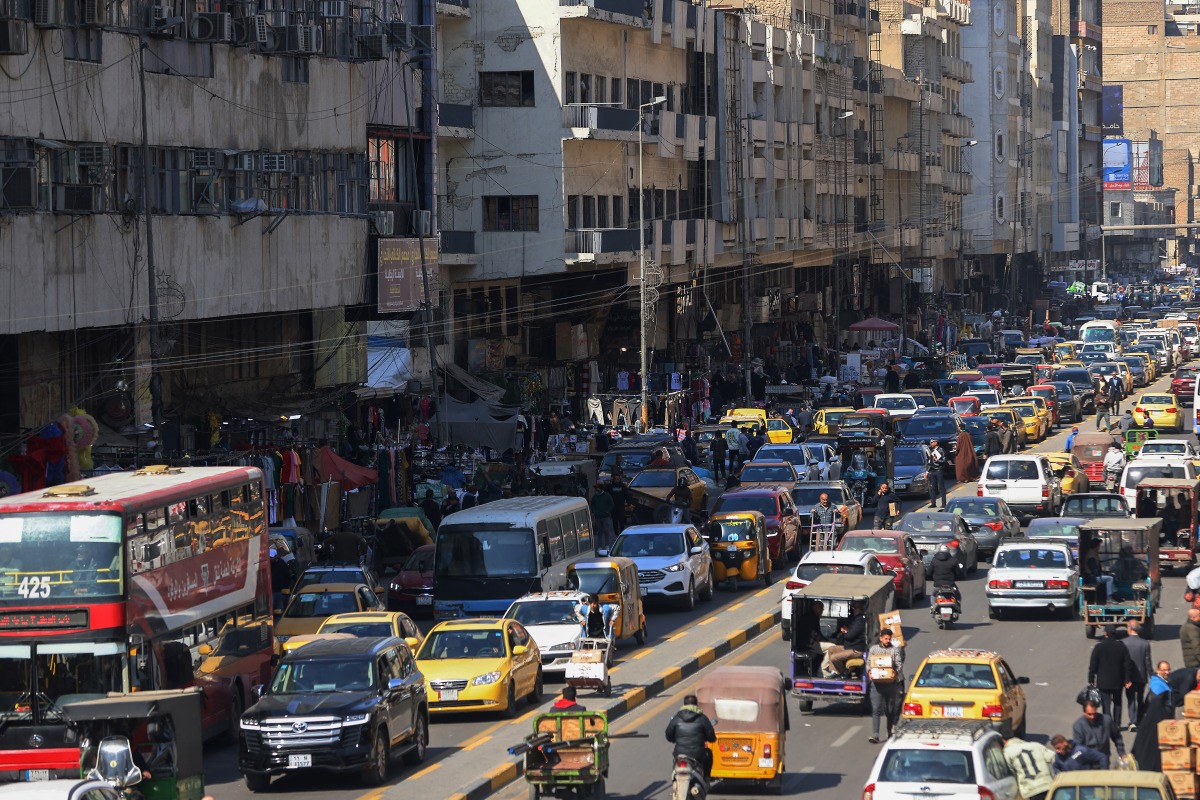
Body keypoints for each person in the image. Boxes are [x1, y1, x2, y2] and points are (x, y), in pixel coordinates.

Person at [1088, 624, 1135, 729]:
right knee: (1117, 702)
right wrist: (1127, 679)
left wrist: (1091, 678)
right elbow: (1127, 664)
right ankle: (1117, 724)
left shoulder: (1099, 647)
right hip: (1118, 681)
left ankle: (1107, 724)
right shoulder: (1121, 647)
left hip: (1103, 681)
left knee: (1106, 703)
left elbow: (1093, 664)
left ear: (1105, 634)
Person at [1131, 661, 1175, 771]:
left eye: (1168, 669)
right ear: (1158, 671)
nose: (1167, 672)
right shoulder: (1158, 687)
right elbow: (1157, 704)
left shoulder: (1165, 683)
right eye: (1164, 670)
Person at [866, 628, 904, 744]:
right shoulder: (874, 649)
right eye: (885, 638)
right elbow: (868, 663)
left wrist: (895, 672)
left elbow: (899, 663)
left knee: (890, 710)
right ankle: (875, 734)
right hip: (877, 685)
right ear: (881, 638)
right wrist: (869, 672)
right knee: (876, 708)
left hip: (890, 684)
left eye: (889, 638)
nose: (887, 640)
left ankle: (889, 732)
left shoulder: (895, 650)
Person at [665, 694, 716, 779]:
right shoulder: (702, 718)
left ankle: (675, 781)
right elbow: (711, 737)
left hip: (679, 753)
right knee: (709, 753)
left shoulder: (676, 718)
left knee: (675, 762)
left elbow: (668, 736)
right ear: (696, 705)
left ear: (684, 705)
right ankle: (706, 778)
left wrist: (675, 739)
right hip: (698, 755)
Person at [1121, 622, 1152, 731]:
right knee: (1140, 698)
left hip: (1128, 677)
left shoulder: (1123, 642)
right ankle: (1139, 719)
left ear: (1130, 629)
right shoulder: (1144, 643)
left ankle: (1132, 721)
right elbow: (1147, 662)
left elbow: (1121, 662)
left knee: (1130, 698)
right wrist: (1151, 675)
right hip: (1141, 676)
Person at [825, 601, 868, 676]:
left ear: (861, 609)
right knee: (831, 649)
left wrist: (845, 631)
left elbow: (849, 635)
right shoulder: (855, 619)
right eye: (853, 608)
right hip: (849, 647)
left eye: (855, 608)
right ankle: (834, 672)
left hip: (856, 650)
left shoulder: (860, 621)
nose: (853, 610)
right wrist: (847, 630)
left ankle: (844, 673)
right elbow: (851, 631)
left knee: (834, 658)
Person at [591, 484, 615, 550]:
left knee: (606, 530)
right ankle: (600, 546)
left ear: (601, 488)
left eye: (597, 488)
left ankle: (607, 545)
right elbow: (592, 505)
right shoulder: (594, 497)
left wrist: (608, 511)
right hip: (598, 517)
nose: (596, 489)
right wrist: (594, 512)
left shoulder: (607, 496)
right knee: (599, 532)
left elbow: (612, 504)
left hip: (606, 517)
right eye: (596, 488)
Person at [927, 439, 947, 509]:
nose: (931, 443)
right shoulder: (932, 451)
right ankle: (933, 502)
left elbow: (944, 460)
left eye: (932, 442)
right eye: (930, 442)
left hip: (939, 470)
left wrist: (937, 461)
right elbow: (930, 461)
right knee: (933, 488)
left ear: (936, 442)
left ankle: (944, 503)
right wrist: (927, 471)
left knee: (941, 487)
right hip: (932, 470)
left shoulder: (941, 450)